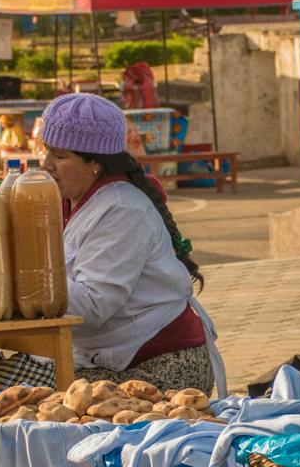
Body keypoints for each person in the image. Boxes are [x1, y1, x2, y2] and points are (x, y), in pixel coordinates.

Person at [35, 93, 221, 391]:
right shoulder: (68, 201)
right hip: (103, 358)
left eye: (59, 156)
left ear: (95, 162)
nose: (46, 164)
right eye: (46, 152)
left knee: (6, 400)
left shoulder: (122, 209)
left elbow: (94, 305)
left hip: (159, 369)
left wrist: (29, 283)